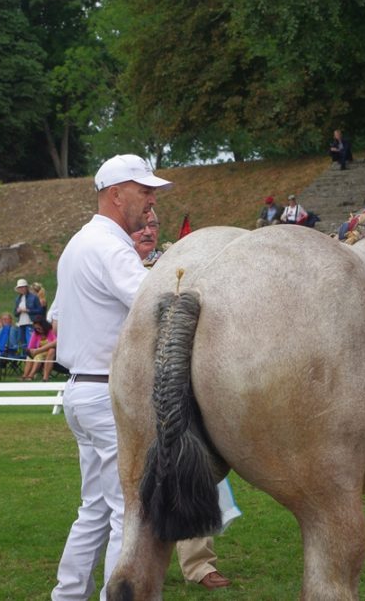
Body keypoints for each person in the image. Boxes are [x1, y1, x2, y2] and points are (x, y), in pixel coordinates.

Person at [51, 153, 229, 600]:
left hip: (82, 391)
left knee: (94, 509)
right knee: (125, 515)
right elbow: (153, 302)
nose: (151, 201)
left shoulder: (81, 242)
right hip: (106, 395)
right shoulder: (109, 247)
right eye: (143, 191)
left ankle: (67, 595)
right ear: (115, 195)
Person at [130, 210, 233, 591]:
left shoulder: (170, 268)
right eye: (141, 228)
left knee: (190, 458)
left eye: (153, 227)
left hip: (175, 380)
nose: (148, 233)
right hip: (131, 380)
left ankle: (198, 562)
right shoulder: (125, 267)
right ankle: (135, 560)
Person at [22, 316, 57, 382]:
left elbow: (54, 344)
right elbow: (31, 346)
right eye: (36, 328)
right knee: (29, 357)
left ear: (44, 326)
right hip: (38, 351)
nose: (37, 330)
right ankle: (24, 376)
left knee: (38, 356)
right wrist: (30, 351)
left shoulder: (51, 331)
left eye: (39, 328)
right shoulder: (35, 333)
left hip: (49, 352)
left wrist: (38, 350)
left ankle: (31, 375)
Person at [14, 278, 43, 346]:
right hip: (21, 323)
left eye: (23, 287)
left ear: (26, 287)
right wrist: (18, 311)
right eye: (19, 288)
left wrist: (28, 310)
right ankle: (22, 355)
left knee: (30, 340)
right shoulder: (17, 299)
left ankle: (31, 354)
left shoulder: (34, 297)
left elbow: (40, 310)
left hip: (30, 322)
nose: (21, 289)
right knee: (21, 342)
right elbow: (15, 313)